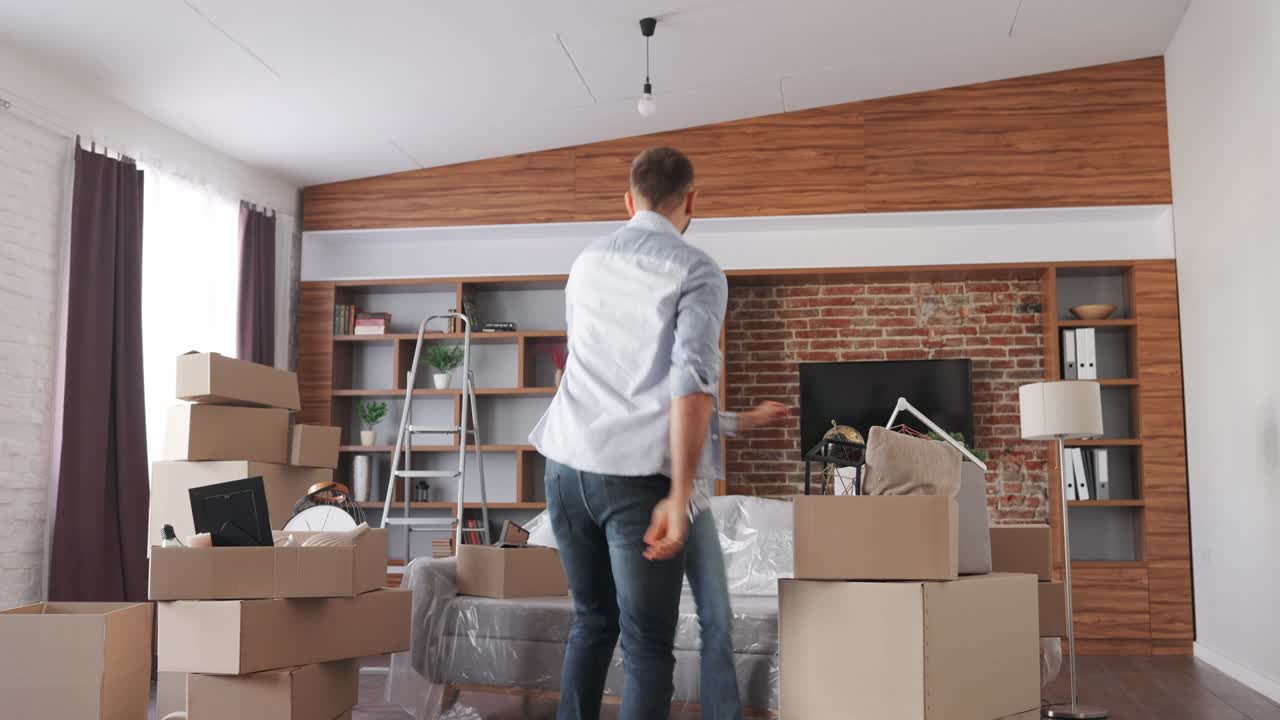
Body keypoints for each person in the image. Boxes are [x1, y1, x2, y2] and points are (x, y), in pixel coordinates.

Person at [530, 146, 783, 720]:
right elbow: (689, 384)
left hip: (565, 467)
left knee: (592, 623)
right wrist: (679, 494)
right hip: (636, 479)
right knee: (646, 646)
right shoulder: (697, 269)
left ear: (628, 199)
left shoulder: (586, 261)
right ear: (691, 201)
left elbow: (601, 366)